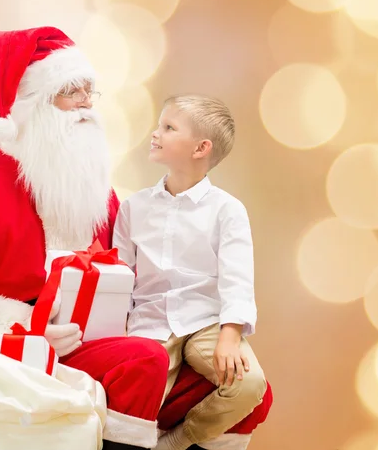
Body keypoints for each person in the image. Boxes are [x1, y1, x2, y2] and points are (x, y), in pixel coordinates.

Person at [0, 27, 272, 450]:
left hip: (102, 344)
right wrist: (24, 332)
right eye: (71, 91)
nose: (86, 103)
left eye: (90, 90)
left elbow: (128, 277)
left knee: (248, 391)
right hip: (23, 351)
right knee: (145, 360)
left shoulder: (99, 196)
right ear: (34, 105)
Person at [113, 95, 268, 450]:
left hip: (205, 321)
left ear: (201, 148)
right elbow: (120, 274)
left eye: (168, 128)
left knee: (249, 384)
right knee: (133, 397)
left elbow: (237, 278)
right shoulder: (134, 207)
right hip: (149, 321)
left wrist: (230, 336)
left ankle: (176, 442)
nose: (155, 134)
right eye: (158, 125)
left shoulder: (227, 210)